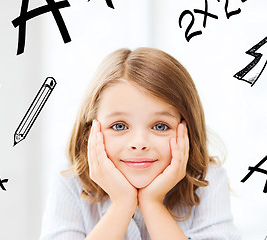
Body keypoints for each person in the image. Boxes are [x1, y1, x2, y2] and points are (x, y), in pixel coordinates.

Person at [40, 47, 240, 239]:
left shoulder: (208, 181)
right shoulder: (71, 182)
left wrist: (152, 204)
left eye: (160, 126)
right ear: (89, 131)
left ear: (186, 130)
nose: (139, 144)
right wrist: (122, 204)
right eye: (119, 126)